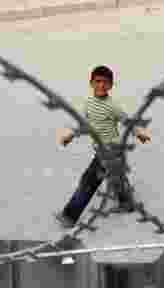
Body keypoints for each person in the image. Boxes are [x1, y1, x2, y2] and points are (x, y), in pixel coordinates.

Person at [55, 65, 152, 228]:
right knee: (117, 178)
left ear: (111, 85)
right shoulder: (88, 104)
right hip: (101, 150)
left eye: (106, 83)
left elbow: (126, 121)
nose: (101, 85)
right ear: (91, 83)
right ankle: (127, 202)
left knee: (89, 181)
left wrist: (139, 133)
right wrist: (70, 136)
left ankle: (69, 216)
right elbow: (83, 124)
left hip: (112, 151)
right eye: (98, 81)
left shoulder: (112, 106)